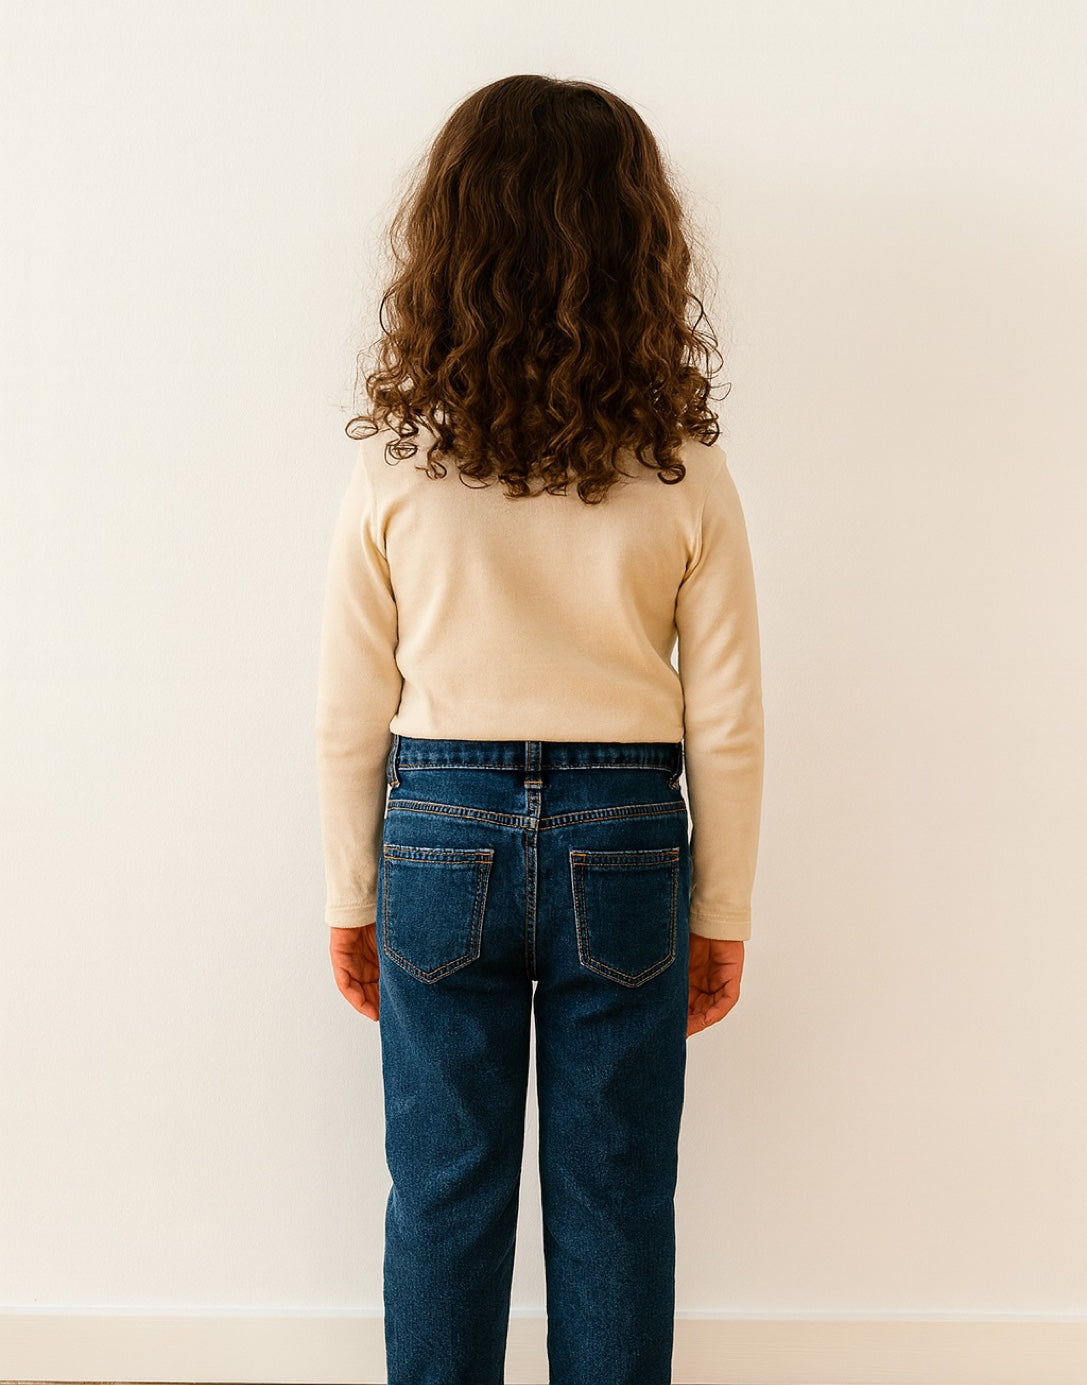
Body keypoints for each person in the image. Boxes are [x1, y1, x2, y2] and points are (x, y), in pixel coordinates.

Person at [315, 73, 764, 1385]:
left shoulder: (398, 457)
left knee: (444, 1190)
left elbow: (350, 703)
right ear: (642, 247)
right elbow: (726, 715)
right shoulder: (684, 461)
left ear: (449, 241)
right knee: (617, 1191)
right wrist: (719, 909)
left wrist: (352, 890)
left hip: (436, 827)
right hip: (625, 837)